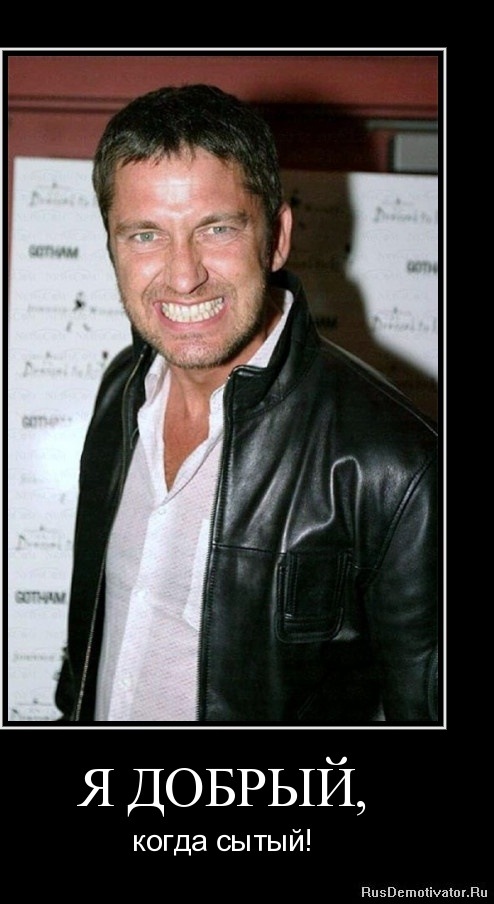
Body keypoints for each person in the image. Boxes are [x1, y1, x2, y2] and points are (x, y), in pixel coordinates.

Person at [54, 84, 438, 725]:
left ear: (277, 237)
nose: (183, 275)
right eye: (146, 235)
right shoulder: (121, 390)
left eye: (218, 229)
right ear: (112, 247)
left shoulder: (398, 463)